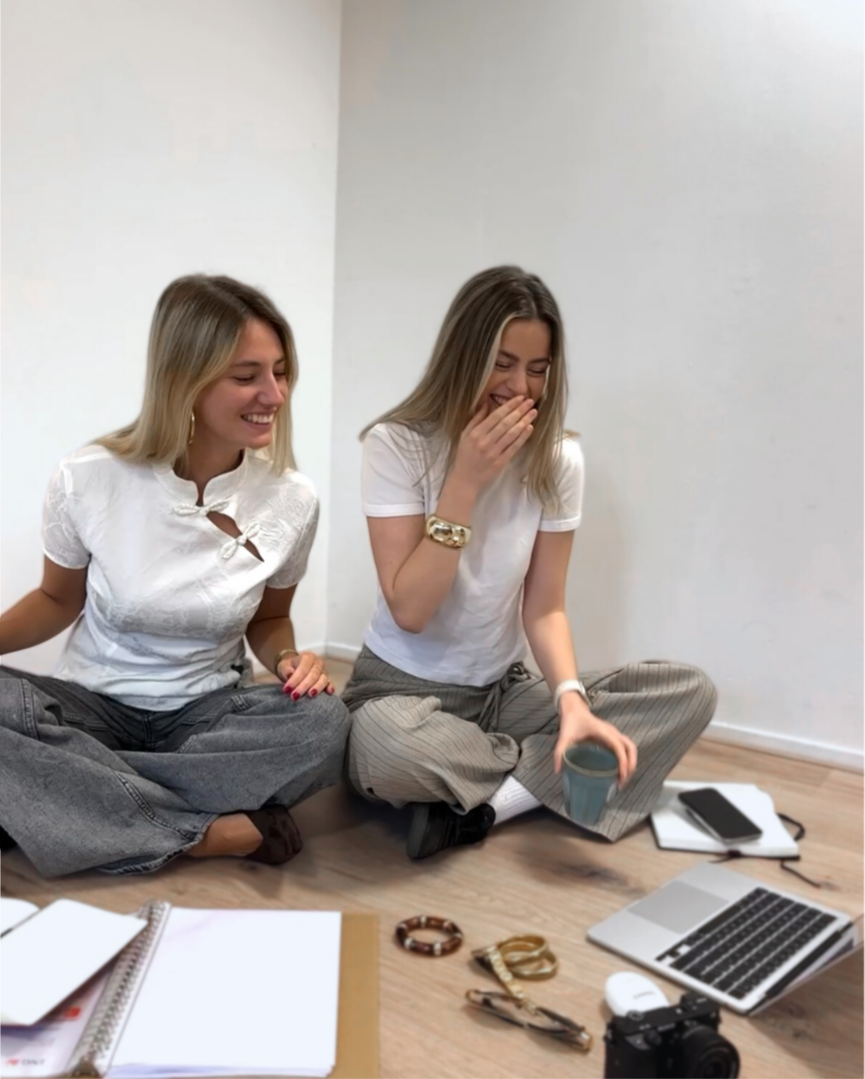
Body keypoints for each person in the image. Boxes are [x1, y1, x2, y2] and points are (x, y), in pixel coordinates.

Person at [342, 265, 717, 859]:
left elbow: (545, 606)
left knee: (687, 691)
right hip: (398, 694)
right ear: (463, 356)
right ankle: (543, 778)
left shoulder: (559, 458)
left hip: (501, 692)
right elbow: (411, 609)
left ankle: (488, 807)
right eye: (502, 363)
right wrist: (464, 482)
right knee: (387, 750)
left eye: (537, 370)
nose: (520, 388)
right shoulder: (398, 444)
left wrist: (570, 703)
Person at [0, 274, 350, 877]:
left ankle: (74, 805)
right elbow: (57, 601)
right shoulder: (88, 477)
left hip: (205, 716)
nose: (274, 393)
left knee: (326, 725)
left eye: (281, 371)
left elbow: (269, 619)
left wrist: (291, 660)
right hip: (93, 707)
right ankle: (207, 834)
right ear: (182, 379)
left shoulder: (293, 498)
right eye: (246, 376)